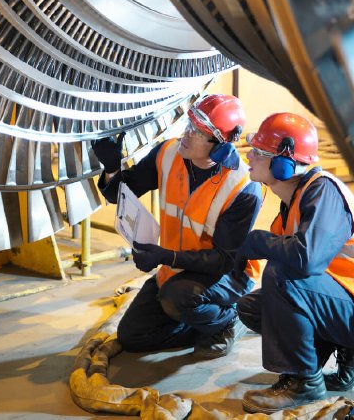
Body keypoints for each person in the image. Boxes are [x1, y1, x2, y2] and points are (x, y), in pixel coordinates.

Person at [234, 113, 354, 414]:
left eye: (259, 152)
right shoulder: (292, 203)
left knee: (283, 274)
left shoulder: (323, 192)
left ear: (282, 164)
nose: (250, 157)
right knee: (254, 307)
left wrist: (258, 241)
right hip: (349, 303)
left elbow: (305, 258)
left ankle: (304, 383)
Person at [92, 94, 264, 359]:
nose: (187, 133)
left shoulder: (243, 188)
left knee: (177, 297)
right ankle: (199, 322)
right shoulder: (168, 153)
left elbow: (223, 261)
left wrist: (165, 256)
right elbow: (122, 193)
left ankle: (228, 319)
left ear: (220, 146)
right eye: (190, 124)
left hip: (228, 275)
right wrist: (113, 167)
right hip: (178, 268)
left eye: (198, 132)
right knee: (132, 336)